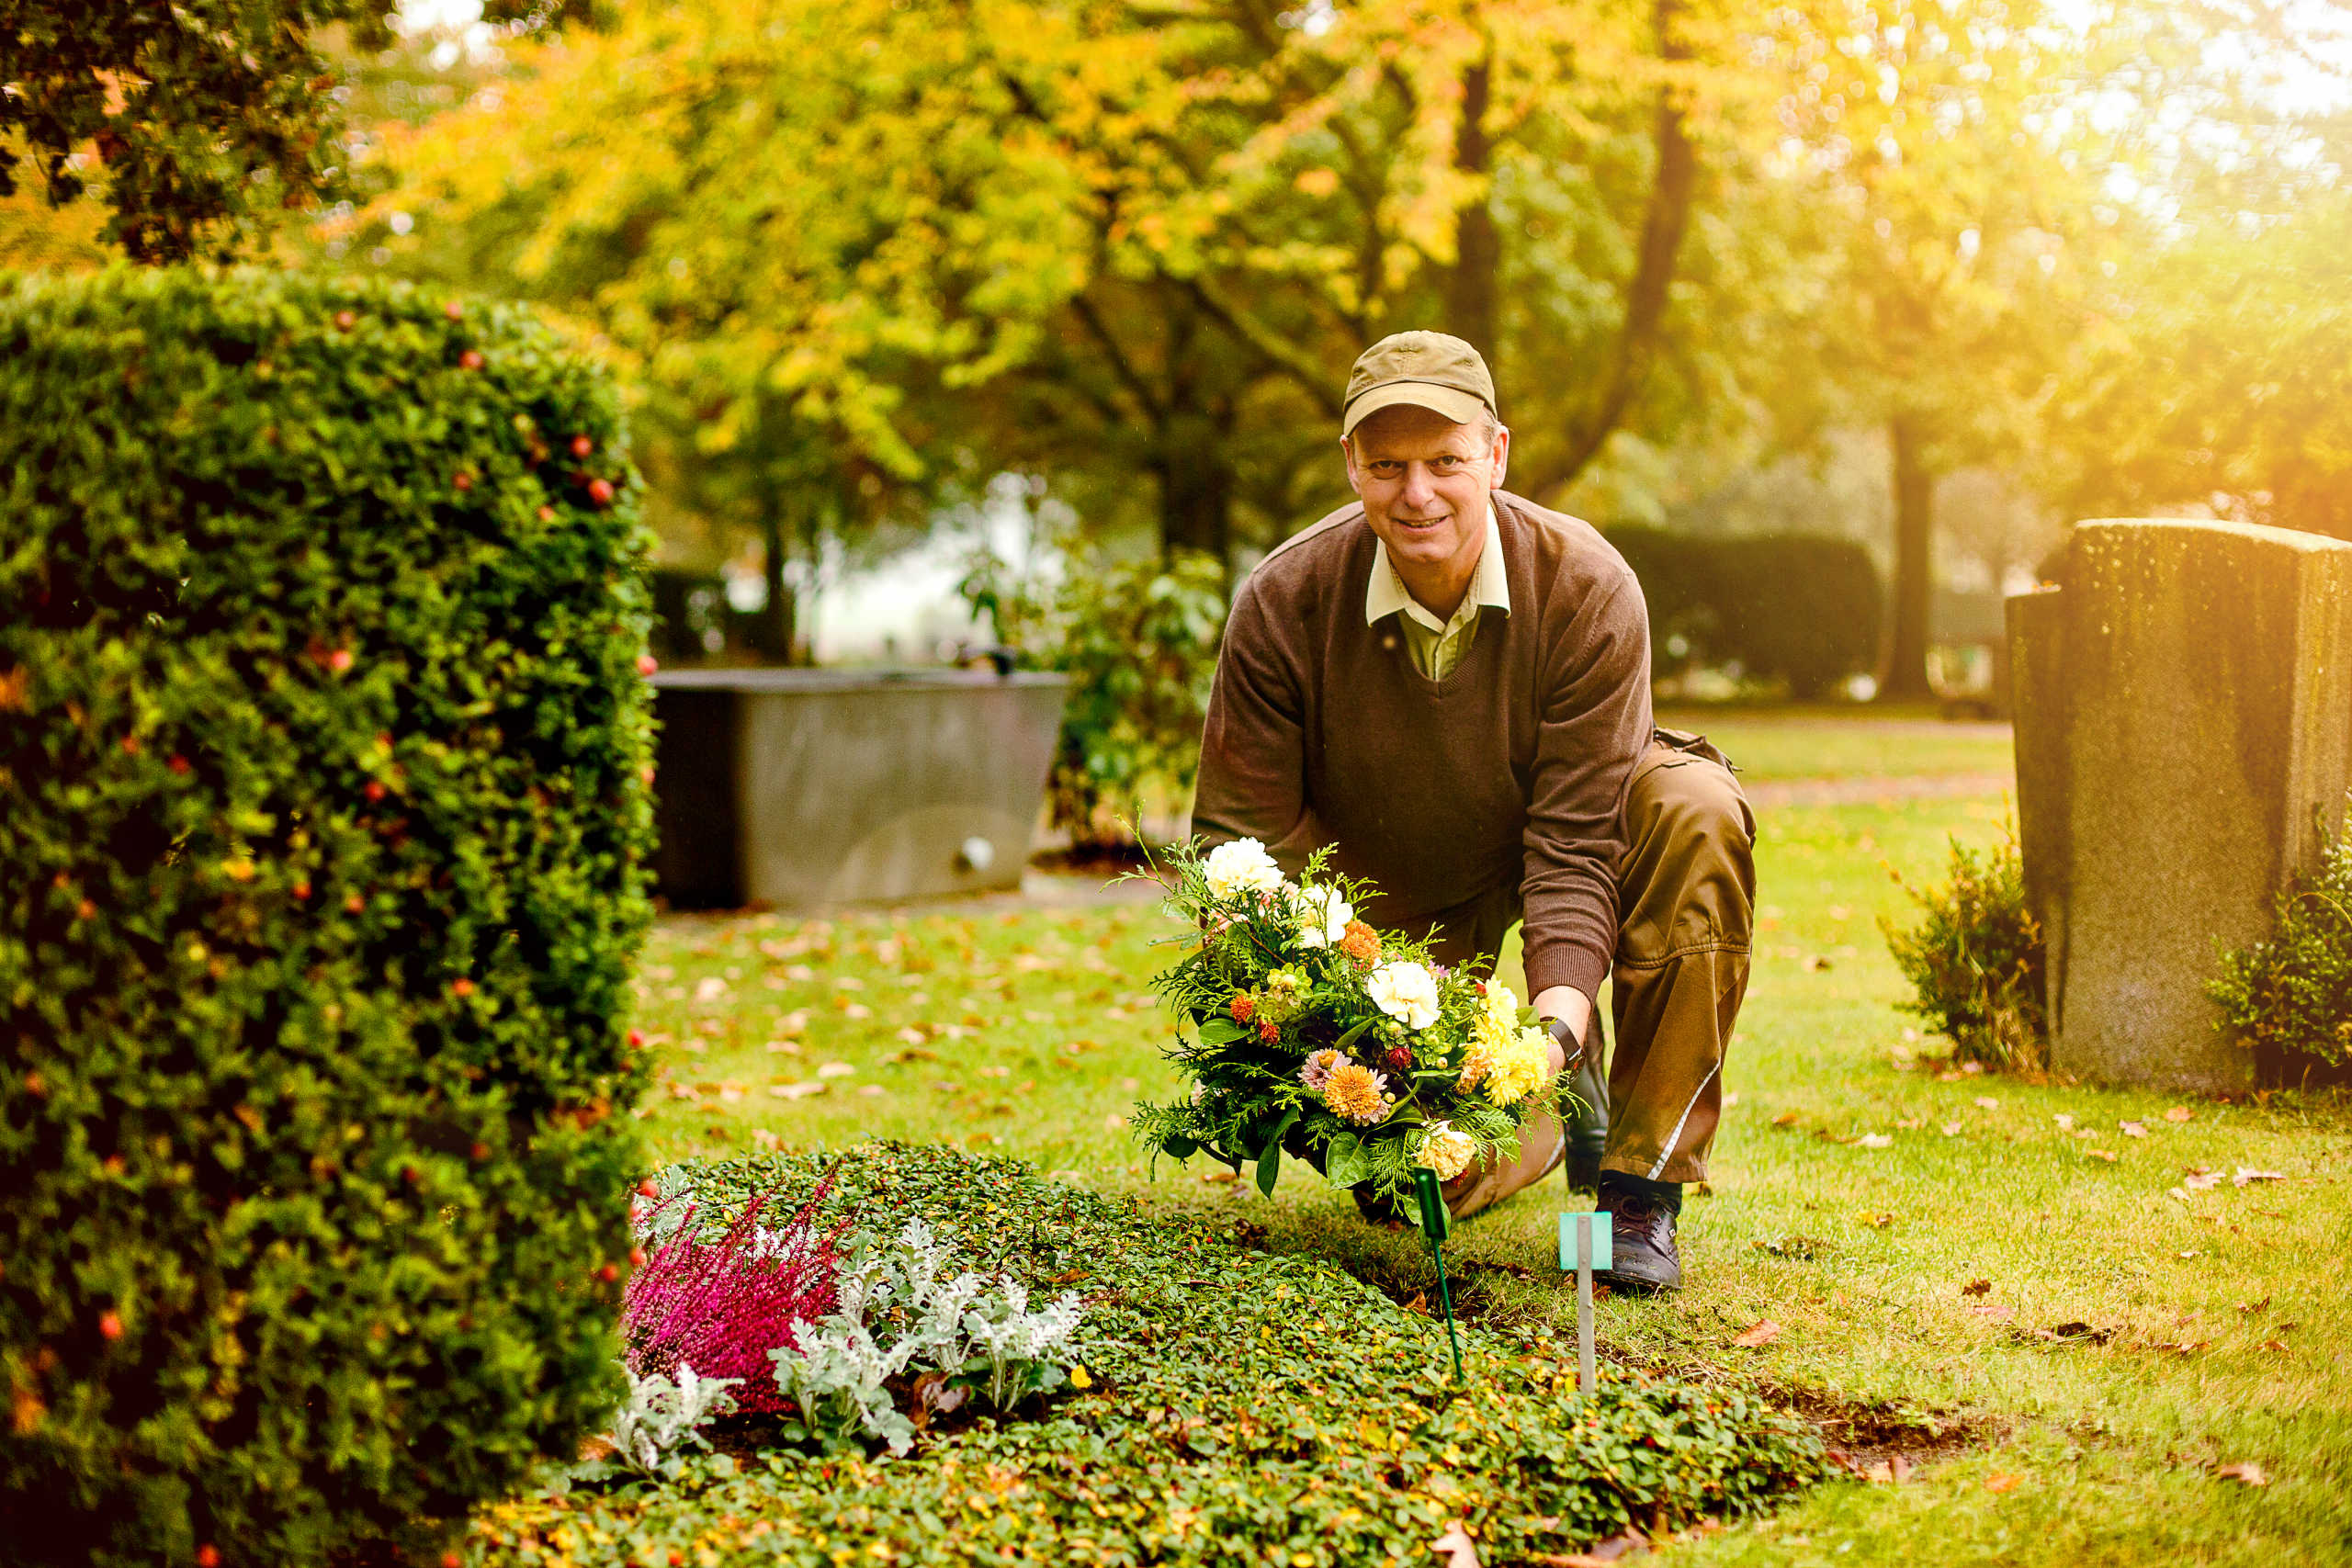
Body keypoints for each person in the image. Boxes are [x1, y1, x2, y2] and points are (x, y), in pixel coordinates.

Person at [1191, 331, 1755, 1292]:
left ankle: (1636, 1187)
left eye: (1447, 461)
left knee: (1692, 806)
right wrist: (1324, 1027)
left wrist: (1557, 1015)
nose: (1419, 494)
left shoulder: (1587, 587)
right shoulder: (1283, 601)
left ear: (1495, 454)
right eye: (1389, 466)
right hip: (1394, 883)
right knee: (1416, 1173)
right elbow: (1244, 846)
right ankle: (1549, 1106)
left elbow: (1577, 840)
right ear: (1351, 467)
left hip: (1563, 822)